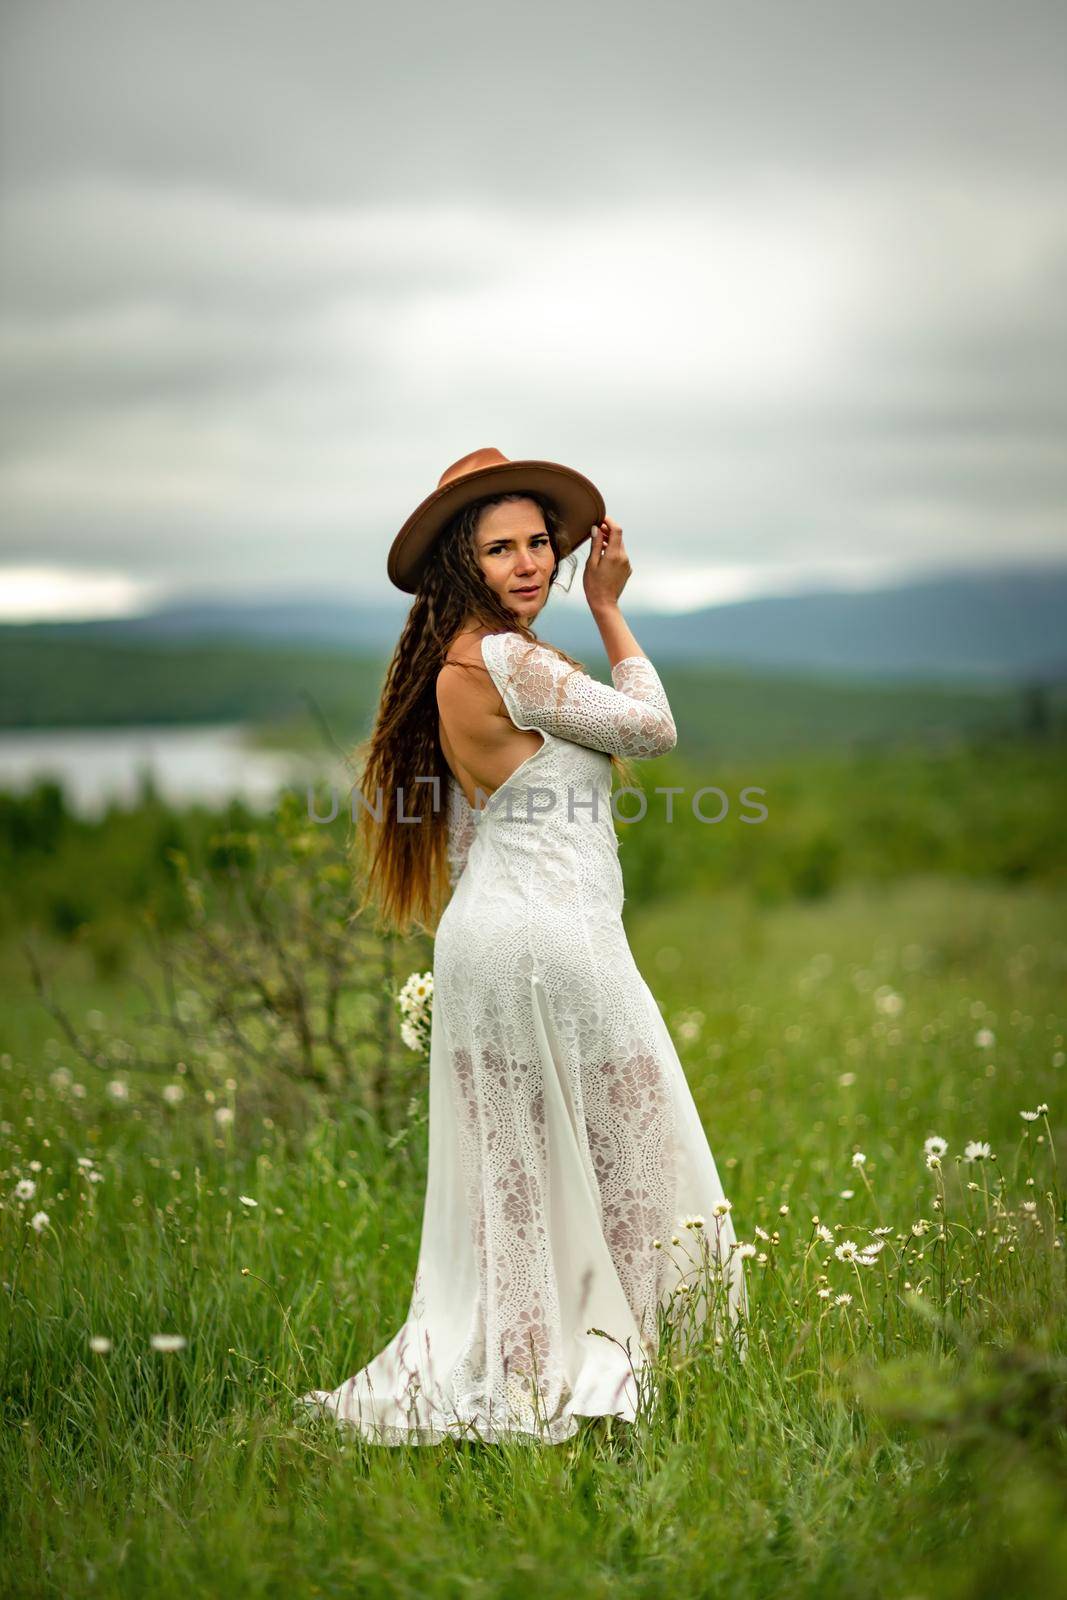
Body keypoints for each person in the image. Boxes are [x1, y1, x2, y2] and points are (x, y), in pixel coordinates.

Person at [297, 448, 748, 1445]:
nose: (527, 562)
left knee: (527, 1167)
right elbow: (654, 728)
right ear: (463, 563)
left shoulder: (455, 664)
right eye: (499, 548)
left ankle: (539, 1357)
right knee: (626, 1144)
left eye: (537, 541)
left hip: (492, 940)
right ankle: (625, 1360)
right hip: (551, 939)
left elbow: (466, 840)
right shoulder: (512, 660)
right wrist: (610, 607)